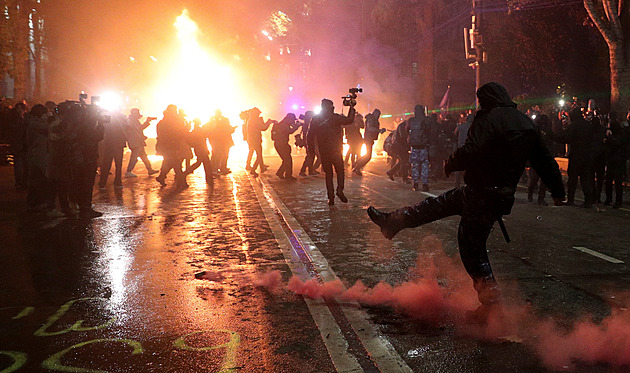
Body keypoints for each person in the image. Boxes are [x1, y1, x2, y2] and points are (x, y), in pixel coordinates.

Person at [366, 82, 566, 320]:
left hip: (483, 193)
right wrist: (557, 191)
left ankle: (492, 308)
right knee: (437, 205)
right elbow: (544, 160)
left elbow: (473, 149)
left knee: (472, 248)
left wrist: (451, 163)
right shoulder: (525, 123)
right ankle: (393, 221)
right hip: (495, 193)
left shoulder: (489, 119)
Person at [311, 98, 356, 205]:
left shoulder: (316, 119)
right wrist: (352, 107)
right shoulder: (335, 118)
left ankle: (331, 198)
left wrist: (311, 150)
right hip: (335, 150)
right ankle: (339, 190)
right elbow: (349, 120)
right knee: (340, 171)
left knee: (329, 174)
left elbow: (310, 135)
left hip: (324, 151)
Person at [551, 107, 595, 207]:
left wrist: (554, 136)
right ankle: (588, 201)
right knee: (585, 179)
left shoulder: (574, 126)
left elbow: (566, 138)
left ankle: (571, 199)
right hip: (587, 155)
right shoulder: (587, 125)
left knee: (573, 179)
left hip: (576, 155)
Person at [155, 104, 186, 188]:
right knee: (176, 163)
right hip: (169, 146)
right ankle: (182, 182)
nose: (176, 112)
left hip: (168, 146)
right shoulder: (169, 122)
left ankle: (161, 177)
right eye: (174, 111)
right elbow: (175, 133)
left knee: (168, 162)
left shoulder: (163, 122)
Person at [603, 112, 628, 208]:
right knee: (612, 181)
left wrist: (609, 138)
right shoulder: (621, 132)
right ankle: (611, 199)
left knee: (615, 181)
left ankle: (616, 200)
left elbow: (616, 143)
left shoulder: (620, 134)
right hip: (615, 159)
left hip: (617, 159)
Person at [124, 108, 158, 177]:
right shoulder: (131, 121)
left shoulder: (133, 120)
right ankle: (128, 171)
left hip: (137, 142)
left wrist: (142, 136)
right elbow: (139, 129)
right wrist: (147, 122)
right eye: (137, 113)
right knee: (134, 158)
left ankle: (150, 170)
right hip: (135, 142)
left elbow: (137, 130)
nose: (139, 114)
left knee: (144, 157)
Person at [98, 111, 128, 189]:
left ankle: (102, 183)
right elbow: (127, 128)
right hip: (117, 145)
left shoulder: (107, 120)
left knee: (106, 164)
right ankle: (117, 182)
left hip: (110, 144)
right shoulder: (122, 120)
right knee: (118, 164)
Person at [353, 109, 383, 175]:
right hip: (368, 138)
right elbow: (370, 128)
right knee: (368, 156)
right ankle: (357, 168)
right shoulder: (371, 119)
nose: (379, 116)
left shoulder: (372, 119)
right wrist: (379, 130)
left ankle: (356, 164)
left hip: (370, 138)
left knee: (367, 155)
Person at [408, 104, 431, 191]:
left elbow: (407, 130)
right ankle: (425, 184)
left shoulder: (411, 120)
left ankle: (415, 184)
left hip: (414, 146)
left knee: (415, 165)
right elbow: (430, 130)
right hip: (424, 146)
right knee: (425, 164)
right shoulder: (426, 120)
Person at [271, 113, 301, 180]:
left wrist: (295, 125)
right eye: (293, 120)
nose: (293, 121)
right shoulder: (283, 125)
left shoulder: (281, 124)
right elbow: (290, 131)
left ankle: (280, 172)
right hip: (282, 144)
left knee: (286, 160)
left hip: (280, 144)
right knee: (288, 160)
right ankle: (288, 175)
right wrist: (297, 126)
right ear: (289, 119)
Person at [183, 118, 213, 184]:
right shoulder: (199, 129)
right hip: (201, 148)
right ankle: (184, 174)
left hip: (199, 148)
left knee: (203, 163)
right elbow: (205, 135)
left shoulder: (195, 129)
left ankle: (209, 177)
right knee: (203, 163)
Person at [246, 107, 274, 177]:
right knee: (259, 155)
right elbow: (263, 128)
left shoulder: (251, 120)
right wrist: (268, 122)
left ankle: (260, 167)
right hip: (255, 140)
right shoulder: (254, 120)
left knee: (259, 155)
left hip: (253, 140)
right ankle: (253, 170)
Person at [207, 109, 235, 176]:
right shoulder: (223, 120)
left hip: (217, 140)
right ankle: (218, 168)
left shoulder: (212, 120)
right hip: (221, 140)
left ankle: (219, 168)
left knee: (218, 154)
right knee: (220, 154)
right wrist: (232, 129)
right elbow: (228, 129)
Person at [9, 102, 28, 191]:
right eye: (18, 108)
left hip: (25, 146)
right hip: (18, 145)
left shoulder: (27, 120)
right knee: (18, 165)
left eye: (21, 108)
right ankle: (19, 183)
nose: (19, 110)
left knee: (24, 165)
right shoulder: (14, 120)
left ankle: (23, 183)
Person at [453, 111, 473, 187]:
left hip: (460, 146)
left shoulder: (461, 126)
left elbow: (455, 132)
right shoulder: (474, 127)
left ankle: (457, 182)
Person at [299, 111, 320, 176]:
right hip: (310, 142)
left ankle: (310, 170)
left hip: (310, 142)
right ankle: (303, 170)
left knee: (311, 156)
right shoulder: (308, 125)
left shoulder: (306, 124)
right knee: (310, 157)